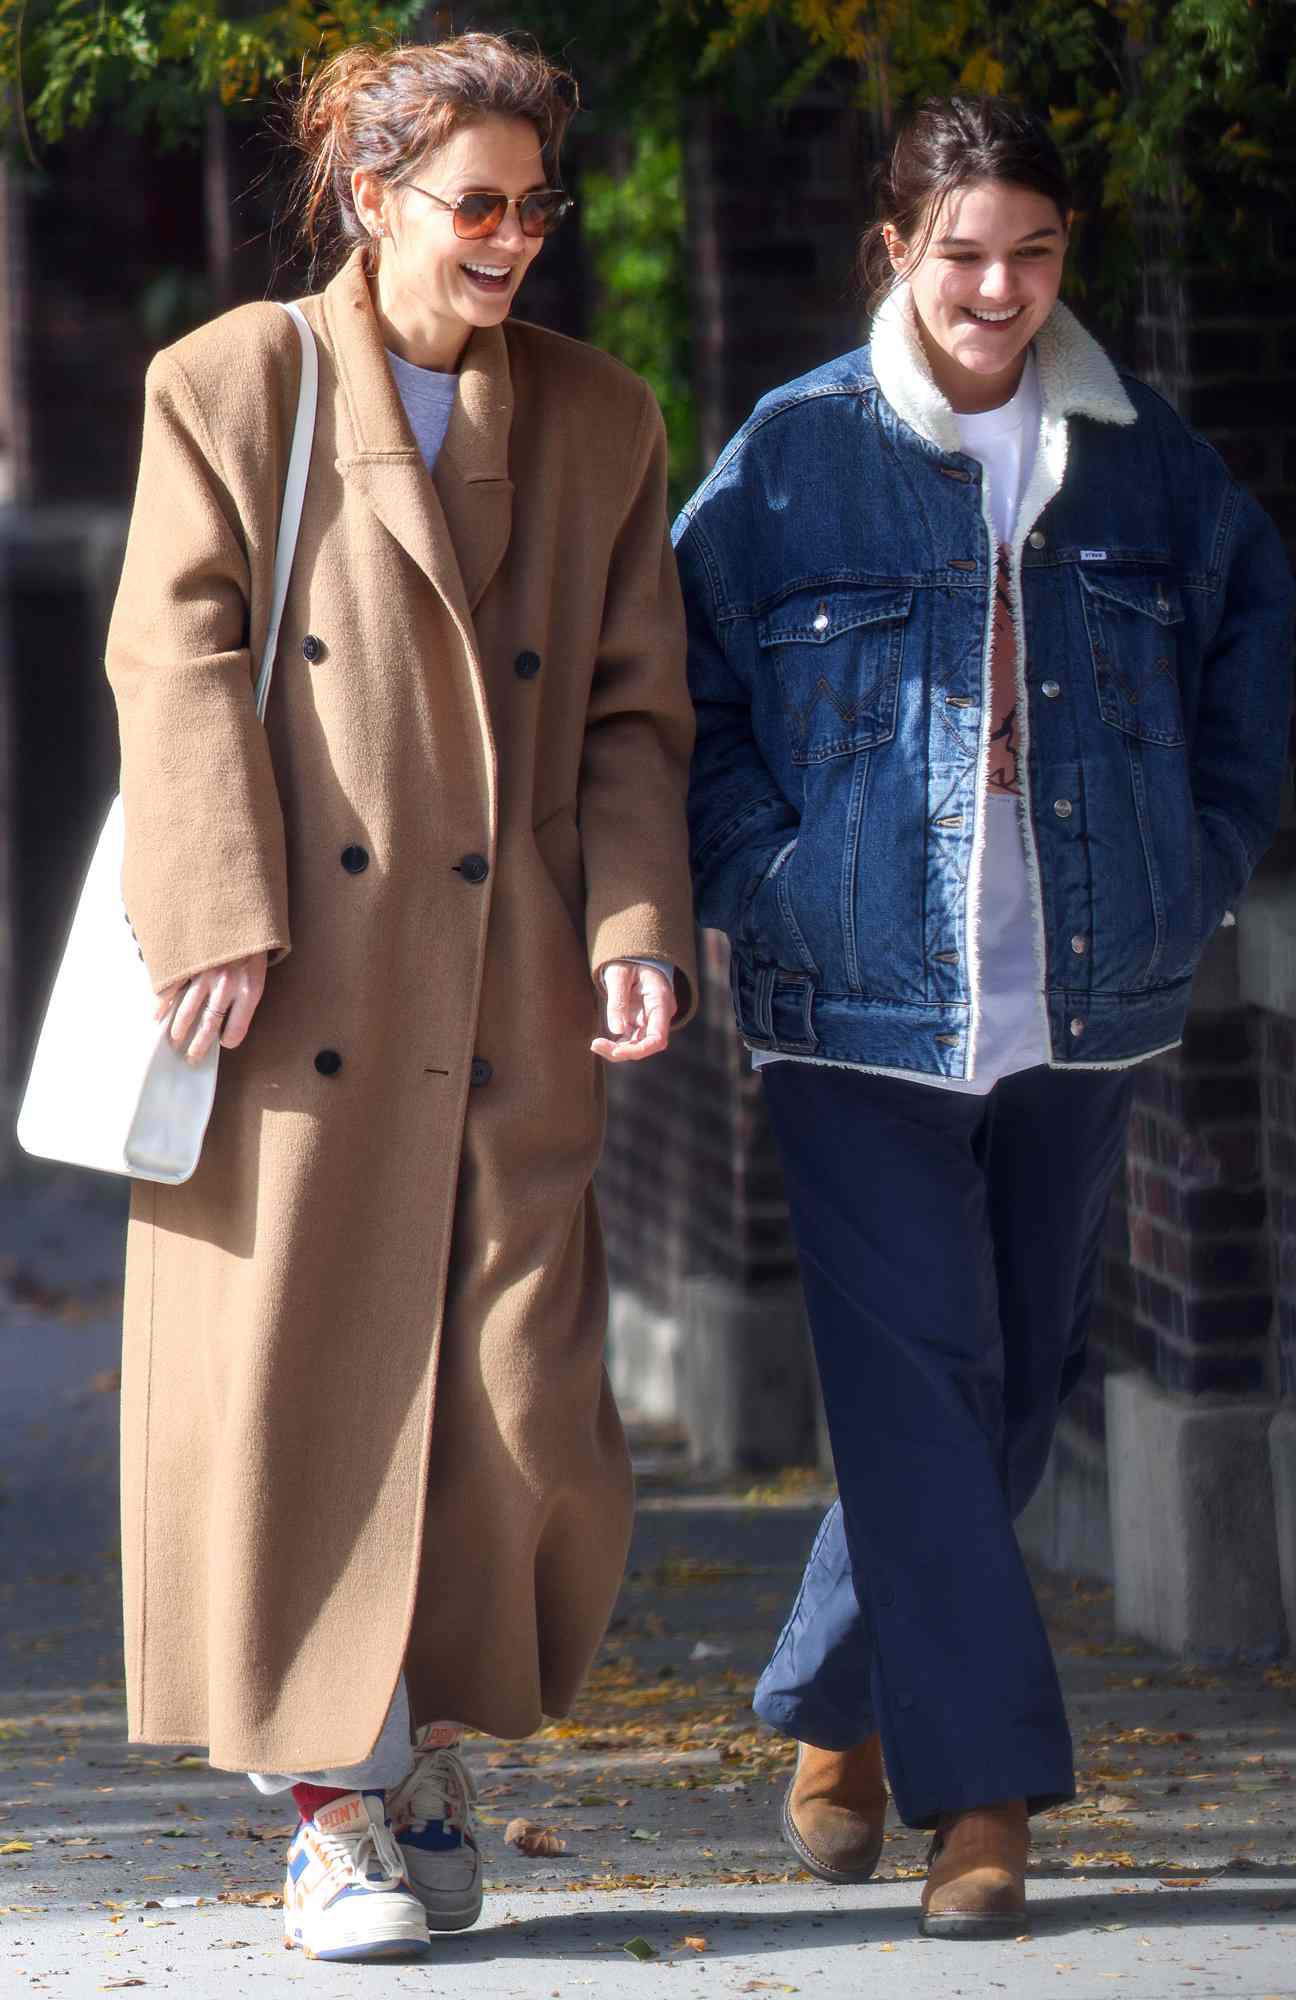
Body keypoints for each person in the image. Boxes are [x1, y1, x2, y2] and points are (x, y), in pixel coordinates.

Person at [104, 32, 696, 1964]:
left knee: (514, 1398)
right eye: (477, 204)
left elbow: (629, 717)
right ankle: (333, 1813)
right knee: (306, 1398)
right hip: (291, 992)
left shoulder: (603, 422)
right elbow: (173, 655)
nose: (515, 238)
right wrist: (213, 909)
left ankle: (430, 1745)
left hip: (509, 985)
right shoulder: (233, 382)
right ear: (373, 201)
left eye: (540, 205)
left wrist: (630, 930)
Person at [675, 94, 1291, 1939]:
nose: (997, 287)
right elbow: (683, 704)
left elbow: (1247, 652)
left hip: (1080, 1000)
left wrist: (1201, 864)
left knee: (1013, 1386)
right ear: (893, 249)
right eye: (960, 252)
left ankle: (837, 1702)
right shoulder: (789, 457)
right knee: (922, 1382)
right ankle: (986, 1804)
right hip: (851, 1007)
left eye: (1030, 251)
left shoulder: (1141, 459)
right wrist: (762, 880)